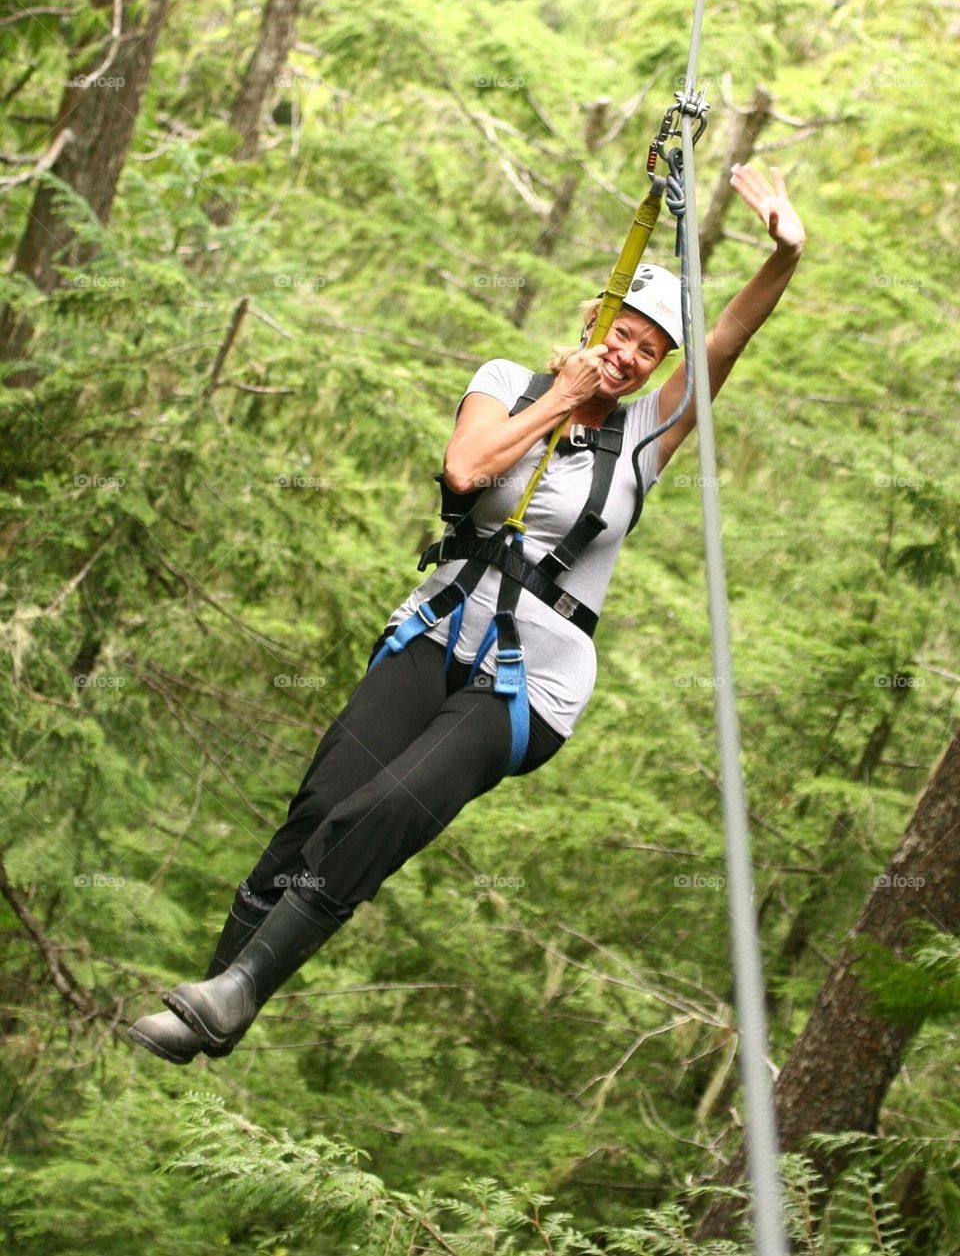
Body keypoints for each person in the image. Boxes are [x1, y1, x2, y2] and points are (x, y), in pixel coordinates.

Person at [129, 162, 805, 1063]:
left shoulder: (646, 435)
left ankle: (237, 991)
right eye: (624, 331)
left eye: (651, 349)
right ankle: (219, 993)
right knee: (320, 806)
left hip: (532, 679)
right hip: (440, 626)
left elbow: (730, 336)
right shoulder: (508, 381)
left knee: (387, 805)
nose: (632, 354)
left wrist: (785, 253)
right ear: (592, 318)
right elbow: (466, 470)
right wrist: (563, 397)